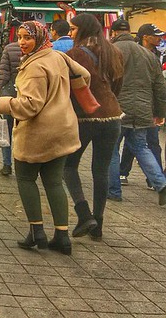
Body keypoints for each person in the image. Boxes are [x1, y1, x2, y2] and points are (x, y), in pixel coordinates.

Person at [0, 21, 86, 255]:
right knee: (53, 181)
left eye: (27, 38)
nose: (22, 42)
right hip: (64, 129)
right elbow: (85, 76)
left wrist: (2, 103)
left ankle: (36, 231)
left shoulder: (35, 66)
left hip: (39, 132)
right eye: (20, 37)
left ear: (39, 37)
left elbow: (31, 105)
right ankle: (62, 236)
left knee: (26, 178)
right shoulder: (58, 57)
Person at [62, 14, 124, 242]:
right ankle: (98, 223)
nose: (70, 33)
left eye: (73, 29)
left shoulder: (75, 55)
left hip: (85, 118)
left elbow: (68, 88)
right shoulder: (113, 51)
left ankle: (84, 214)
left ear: (83, 30)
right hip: (112, 116)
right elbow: (117, 85)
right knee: (101, 170)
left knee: (68, 166)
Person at [107, 20, 166, 205]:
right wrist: (159, 112)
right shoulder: (149, 55)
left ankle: (114, 191)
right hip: (142, 109)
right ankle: (162, 185)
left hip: (117, 109)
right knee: (141, 147)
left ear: (114, 33)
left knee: (111, 149)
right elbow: (160, 86)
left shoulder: (111, 51)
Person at [0, 39, 22, 176]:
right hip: (28, 96)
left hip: (10, 95)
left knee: (7, 131)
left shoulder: (9, 49)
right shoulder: (40, 50)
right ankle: (22, 163)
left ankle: (7, 164)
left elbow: (3, 75)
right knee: (24, 132)